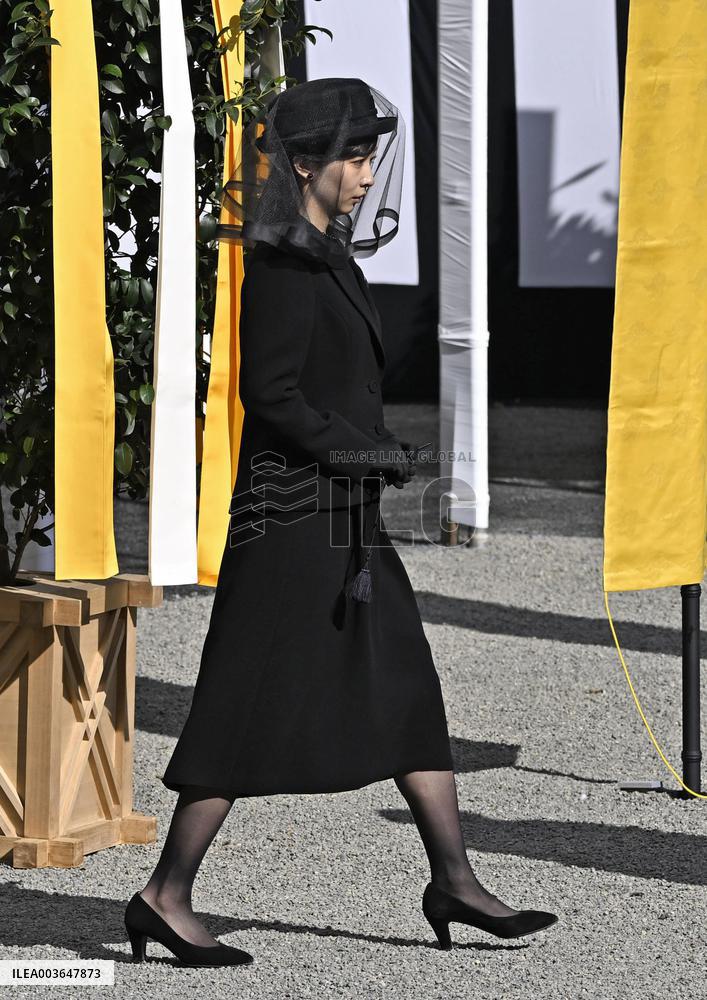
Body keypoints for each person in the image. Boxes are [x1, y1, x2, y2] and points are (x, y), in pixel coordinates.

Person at [124, 77, 558, 967]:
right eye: (353, 158)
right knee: (243, 704)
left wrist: (374, 455)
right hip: (290, 526)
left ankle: (454, 880)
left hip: (341, 517)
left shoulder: (323, 251)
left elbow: (332, 387)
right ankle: (165, 895)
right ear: (304, 163)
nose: (366, 174)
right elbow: (270, 397)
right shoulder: (283, 262)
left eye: (368, 156)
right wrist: (373, 458)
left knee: (406, 681)